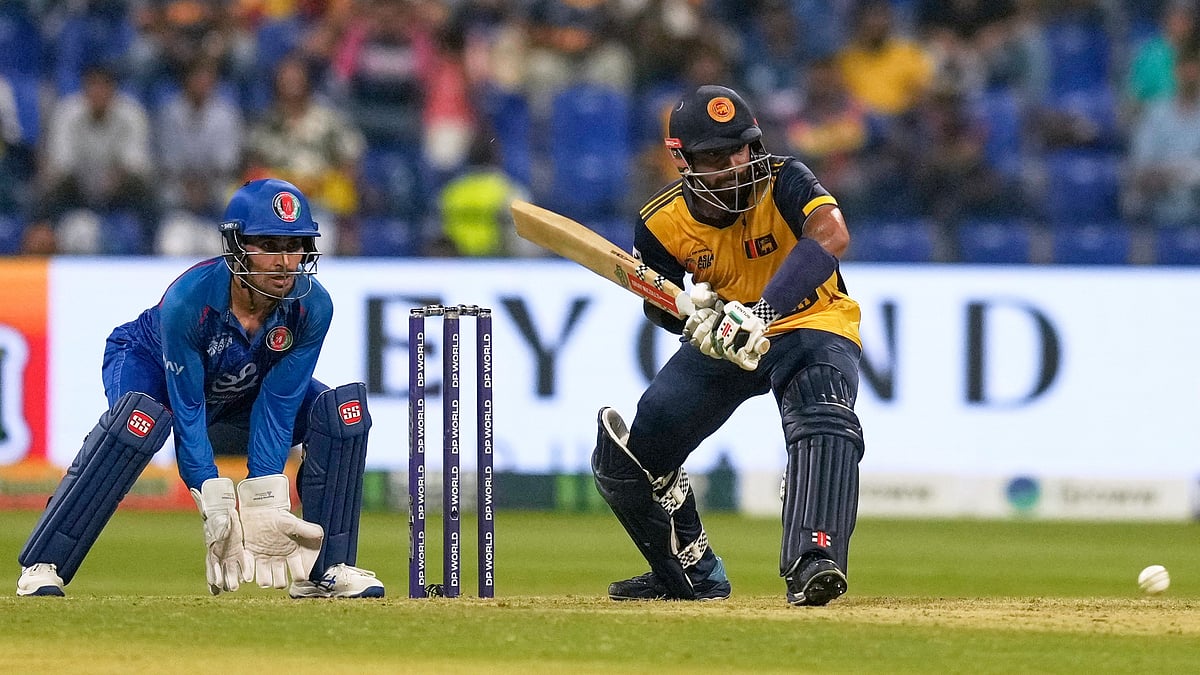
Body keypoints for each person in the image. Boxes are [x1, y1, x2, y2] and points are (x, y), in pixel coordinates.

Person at [17, 178, 384, 600]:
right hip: (149, 364)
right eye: (269, 245)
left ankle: (326, 571)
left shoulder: (312, 306)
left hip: (241, 386)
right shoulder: (188, 301)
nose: (286, 262)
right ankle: (45, 564)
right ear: (236, 246)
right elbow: (187, 408)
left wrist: (264, 494)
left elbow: (278, 404)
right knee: (137, 423)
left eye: (296, 245)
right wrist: (212, 497)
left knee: (340, 413)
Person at [591, 85, 864, 606]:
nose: (738, 164)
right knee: (635, 457)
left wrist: (761, 313)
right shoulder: (659, 222)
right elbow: (657, 298)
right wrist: (691, 318)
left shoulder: (786, 178)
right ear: (682, 160)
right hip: (726, 341)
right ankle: (689, 573)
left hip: (812, 320)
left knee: (823, 417)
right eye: (718, 156)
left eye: (743, 146)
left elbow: (830, 236)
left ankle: (814, 560)